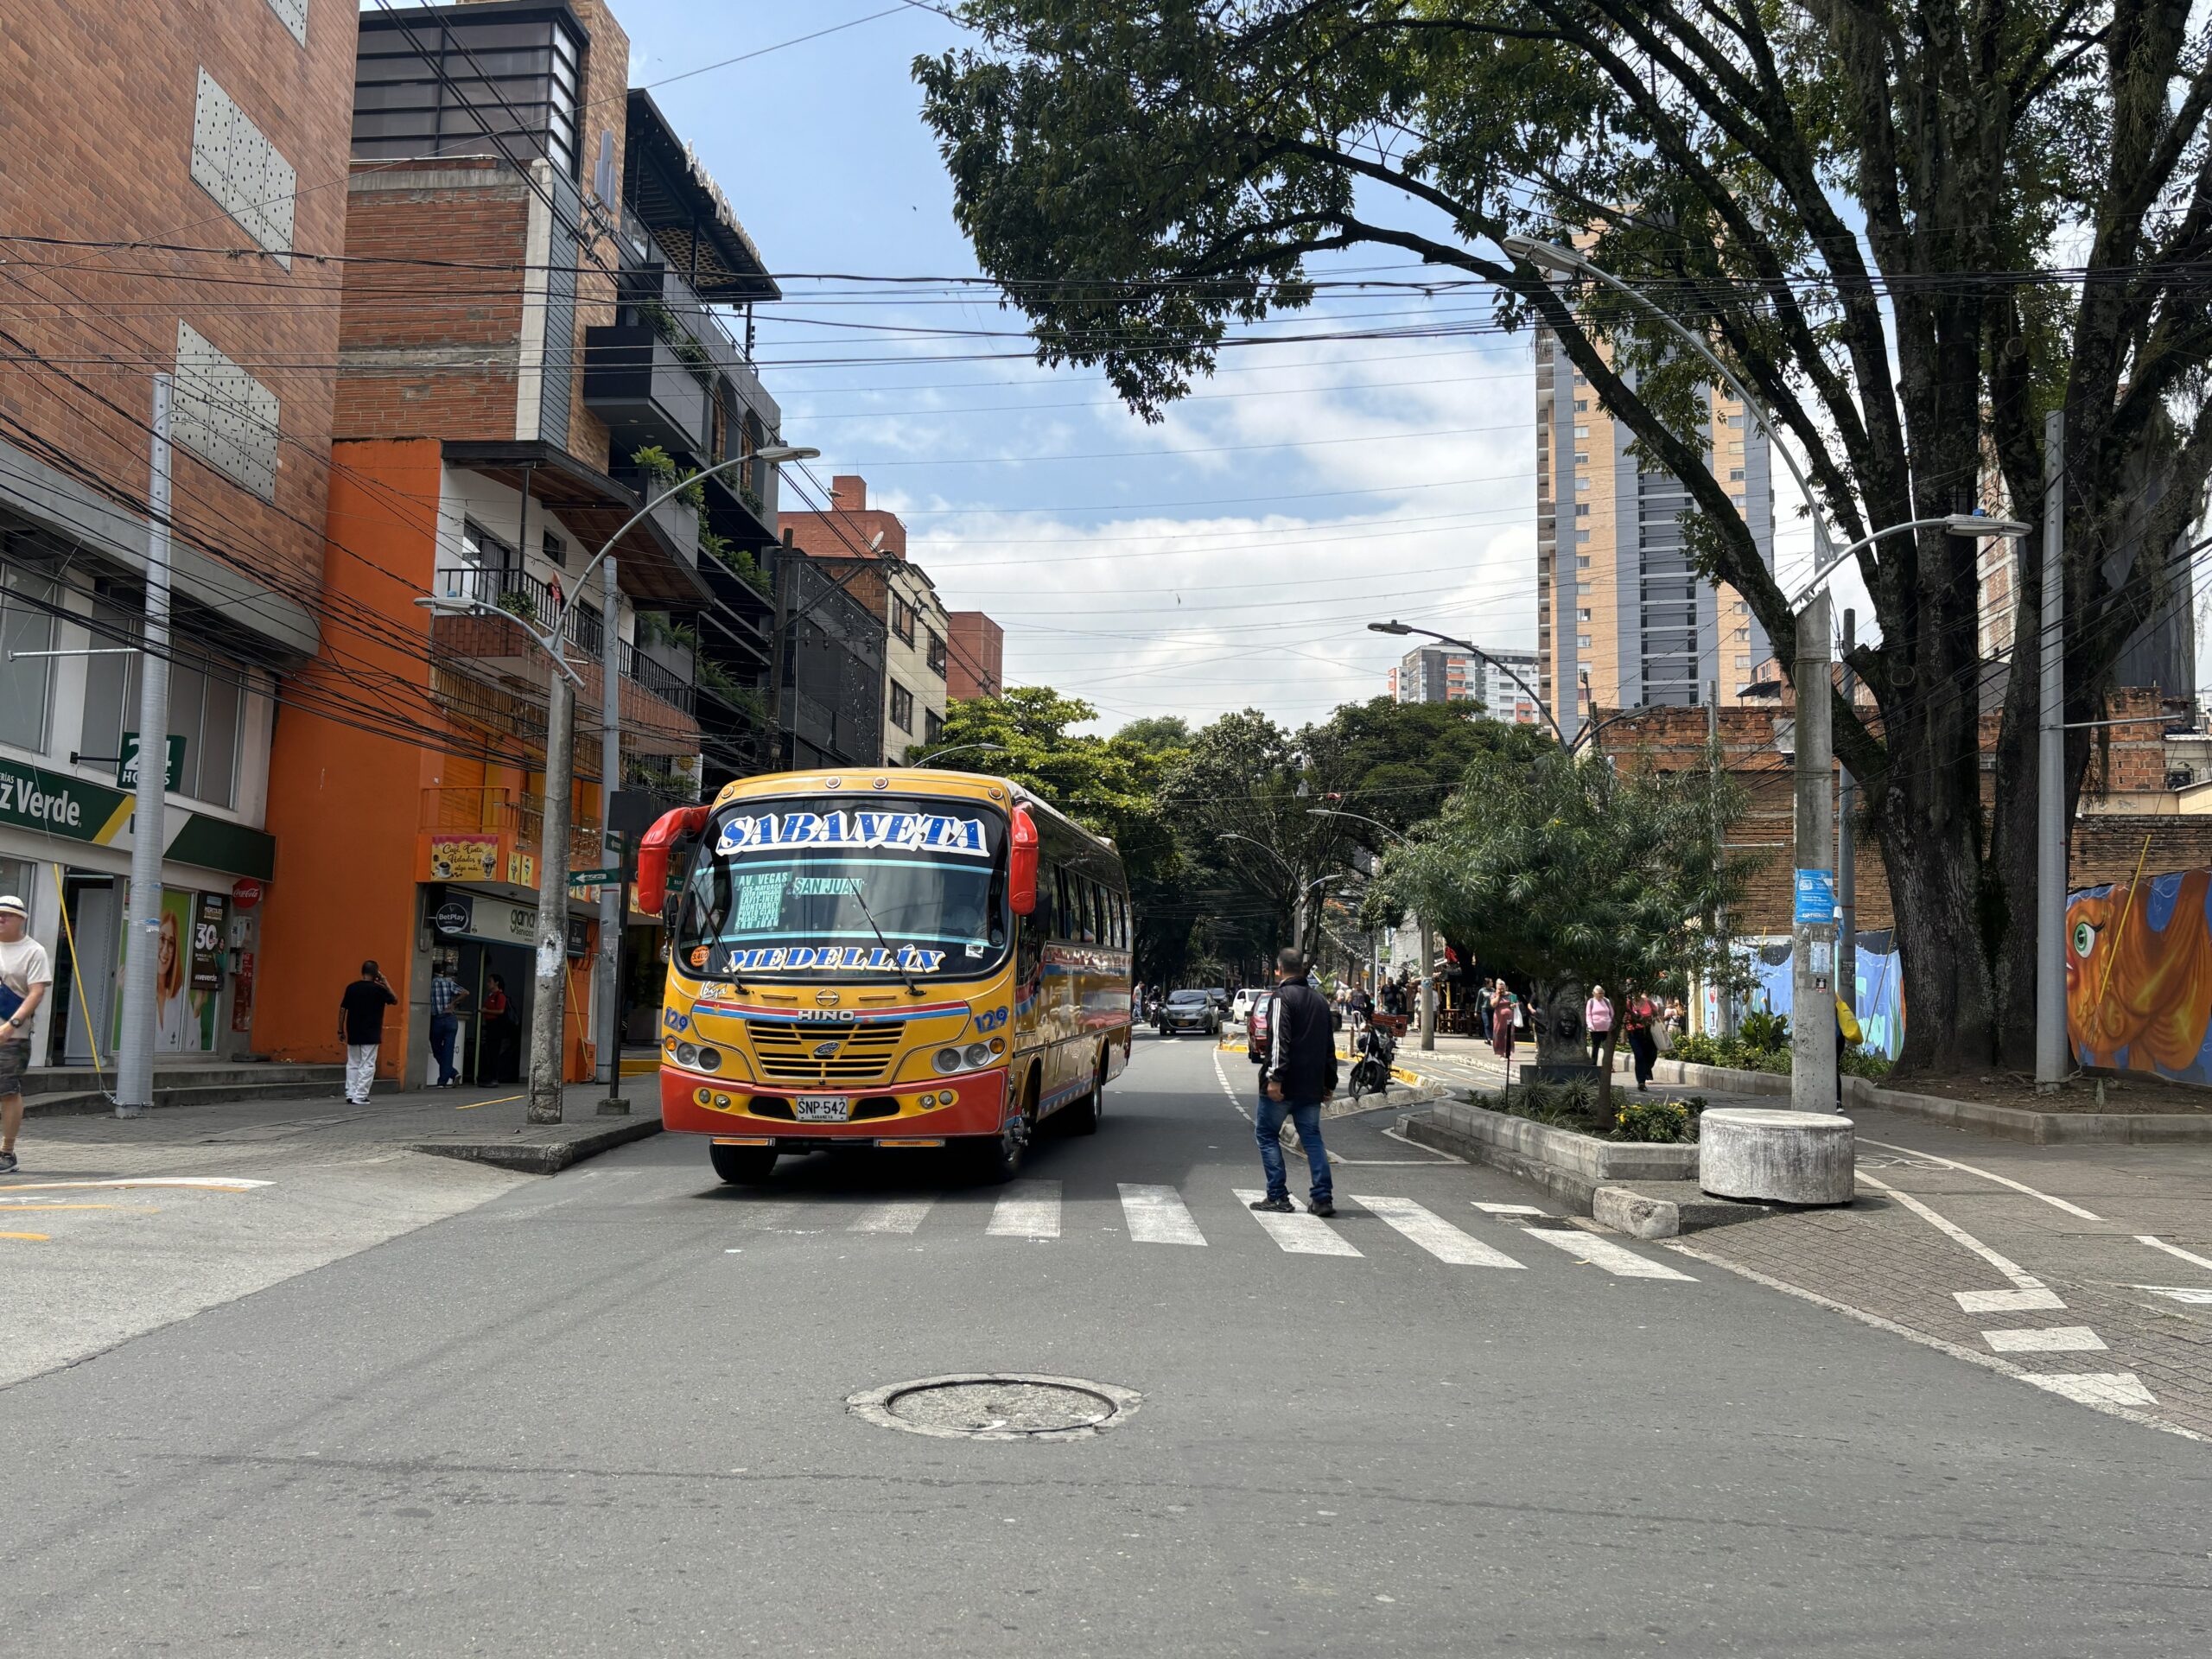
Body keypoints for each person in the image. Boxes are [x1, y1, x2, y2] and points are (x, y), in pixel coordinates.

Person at [1249, 947, 1336, 1217]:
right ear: (1303, 969)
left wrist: (1275, 1077)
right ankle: (1322, 1198)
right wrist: (1329, 1082)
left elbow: (1279, 1040)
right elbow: (1329, 1047)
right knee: (1312, 1138)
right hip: (1311, 1085)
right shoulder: (1320, 1001)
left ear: (1278, 970)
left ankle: (1277, 1196)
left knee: (1266, 1134)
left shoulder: (1281, 998)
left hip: (1284, 1085)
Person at [0, 894, 54, 1175]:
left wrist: (12, 1024)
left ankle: (7, 1153)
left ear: (21, 919)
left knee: (7, 1092)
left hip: (12, 1036)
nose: (1, 918)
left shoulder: (33, 951)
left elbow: (37, 992)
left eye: (7, 914)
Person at [338, 960, 396, 1107]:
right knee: (367, 1064)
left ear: (362, 972)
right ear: (376, 973)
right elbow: (394, 1000)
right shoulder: (379, 989)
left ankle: (350, 1093)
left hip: (353, 1031)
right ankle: (360, 1096)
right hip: (371, 1032)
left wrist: (340, 1029)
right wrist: (385, 981)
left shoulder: (351, 988)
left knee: (353, 1063)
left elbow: (343, 1009)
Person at [427, 959, 471, 1089]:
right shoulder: (449, 982)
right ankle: (446, 1078)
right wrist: (453, 1004)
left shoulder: (429, 984)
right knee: (448, 1051)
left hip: (437, 1019)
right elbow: (465, 992)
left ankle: (449, 1075)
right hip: (451, 1019)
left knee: (437, 1049)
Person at [480, 973, 518, 1085]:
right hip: (489, 1025)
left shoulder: (500, 996)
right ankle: (489, 1076)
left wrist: (486, 1011)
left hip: (496, 1026)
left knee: (494, 1052)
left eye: (490, 981)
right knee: (489, 1052)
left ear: (496, 983)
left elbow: (500, 1011)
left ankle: (494, 1078)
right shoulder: (490, 996)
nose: (488, 984)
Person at [1624, 994, 1660, 1091]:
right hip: (1634, 1033)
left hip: (1648, 1032)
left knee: (1652, 1055)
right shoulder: (1629, 1004)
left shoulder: (1648, 1002)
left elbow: (1656, 1014)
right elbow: (1623, 1019)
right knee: (1639, 1056)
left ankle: (1646, 1070)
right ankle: (1641, 1082)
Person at [1585, 984, 1615, 1065]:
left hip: (1606, 1028)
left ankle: (1607, 1065)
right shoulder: (1591, 1002)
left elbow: (1611, 1012)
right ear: (1594, 993)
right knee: (1596, 1046)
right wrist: (1590, 1025)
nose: (1601, 995)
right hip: (1595, 1028)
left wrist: (1610, 1022)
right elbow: (1588, 1014)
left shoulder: (1606, 1001)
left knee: (1607, 1047)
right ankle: (1594, 1064)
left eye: (1602, 993)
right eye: (1599, 993)